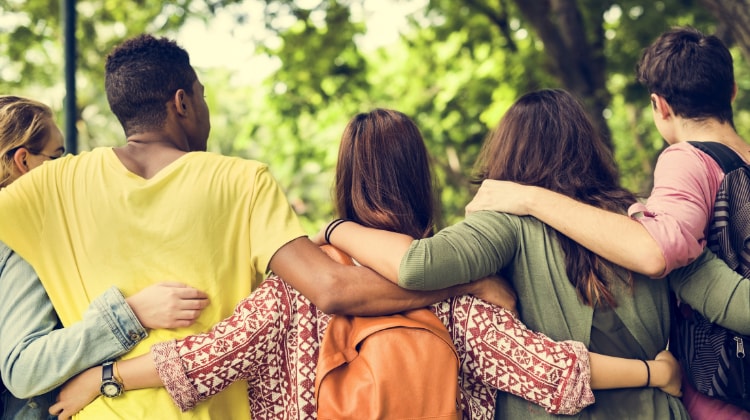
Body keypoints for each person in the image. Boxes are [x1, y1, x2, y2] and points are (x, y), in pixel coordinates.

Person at [50, 108, 683, 420]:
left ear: (344, 178)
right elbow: (550, 373)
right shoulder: (457, 287)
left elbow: (202, 360)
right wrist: (654, 373)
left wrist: (103, 379)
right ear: (420, 180)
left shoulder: (294, 283)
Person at [0, 35, 512, 419]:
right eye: (201, 96)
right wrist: (464, 282)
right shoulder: (241, 180)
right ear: (182, 101)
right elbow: (332, 288)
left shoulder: (50, 186)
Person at [314, 89, 750, 419]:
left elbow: (415, 265)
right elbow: (738, 305)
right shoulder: (644, 225)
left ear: (509, 151)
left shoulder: (502, 224)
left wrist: (338, 227)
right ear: (588, 147)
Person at [465, 27, 750, 419]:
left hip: (721, 385)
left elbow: (656, 251)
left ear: (659, 105)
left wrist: (528, 197)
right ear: (733, 91)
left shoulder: (687, 158)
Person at [0, 96, 209, 420]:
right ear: (23, 162)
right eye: (57, 156)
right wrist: (132, 314)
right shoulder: (21, 242)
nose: (68, 165)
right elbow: (24, 369)